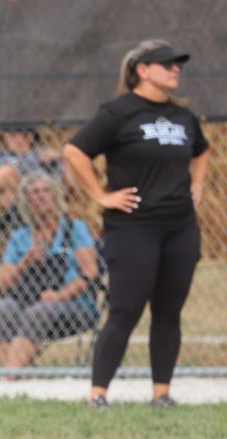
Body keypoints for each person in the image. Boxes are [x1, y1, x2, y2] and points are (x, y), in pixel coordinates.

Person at [63, 40, 210, 409]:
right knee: (125, 309)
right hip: (133, 228)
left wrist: (197, 184)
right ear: (142, 70)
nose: (175, 69)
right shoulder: (119, 112)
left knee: (168, 311)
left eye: (178, 64)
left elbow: (202, 151)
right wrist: (100, 195)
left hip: (179, 227)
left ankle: (161, 394)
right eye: (166, 64)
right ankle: (98, 394)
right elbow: (75, 151)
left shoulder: (183, 117)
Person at [0, 171, 101, 369]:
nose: (41, 196)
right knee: (0, 311)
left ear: (55, 195)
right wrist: (26, 261)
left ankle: (8, 377)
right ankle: (16, 374)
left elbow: (90, 273)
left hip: (73, 305)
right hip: (27, 300)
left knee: (39, 312)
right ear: (26, 201)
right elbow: (3, 284)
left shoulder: (74, 229)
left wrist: (59, 295)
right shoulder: (19, 237)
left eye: (46, 190)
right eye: (34, 193)